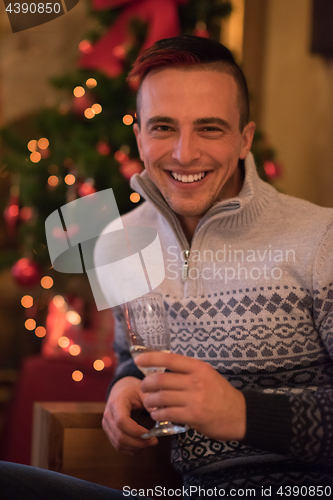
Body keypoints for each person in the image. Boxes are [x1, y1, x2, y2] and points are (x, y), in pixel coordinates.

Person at [1, 35, 332, 499]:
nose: (183, 153)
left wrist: (242, 413)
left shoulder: (322, 241)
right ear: (139, 137)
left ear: (245, 139)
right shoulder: (116, 243)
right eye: (162, 128)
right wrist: (124, 390)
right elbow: (130, 360)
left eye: (210, 129)